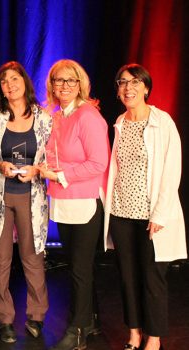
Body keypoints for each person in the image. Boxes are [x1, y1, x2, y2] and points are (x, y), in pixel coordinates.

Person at [103, 64, 187, 350]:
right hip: (121, 214)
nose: (128, 88)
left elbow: (171, 170)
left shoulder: (162, 122)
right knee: (128, 278)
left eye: (135, 82)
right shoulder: (120, 122)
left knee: (153, 278)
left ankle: (154, 337)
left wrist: (161, 213)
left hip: (152, 216)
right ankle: (135, 332)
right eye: (123, 82)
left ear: (146, 88)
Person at [39, 59, 109, 350]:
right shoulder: (56, 116)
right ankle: (90, 321)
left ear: (81, 84)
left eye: (71, 80)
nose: (64, 86)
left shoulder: (88, 116)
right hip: (63, 202)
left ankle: (78, 330)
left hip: (84, 203)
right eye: (58, 80)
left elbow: (98, 163)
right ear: (52, 85)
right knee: (78, 268)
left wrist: (59, 174)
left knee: (80, 269)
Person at [0, 61, 51, 343]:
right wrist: (0, 165)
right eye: (4, 81)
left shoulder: (44, 118)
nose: (10, 84)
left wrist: (37, 171)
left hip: (31, 198)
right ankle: (4, 319)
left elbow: (53, 158)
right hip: (0, 197)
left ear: (25, 81)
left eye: (15, 78)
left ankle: (36, 315)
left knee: (32, 258)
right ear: (0, 88)